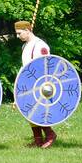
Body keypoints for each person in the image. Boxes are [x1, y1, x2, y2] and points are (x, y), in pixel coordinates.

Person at [15, 20, 56, 148]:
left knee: (36, 111)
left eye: (19, 33)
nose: (17, 36)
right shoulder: (25, 45)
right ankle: (37, 139)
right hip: (28, 83)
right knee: (28, 111)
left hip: (40, 84)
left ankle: (50, 134)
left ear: (27, 30)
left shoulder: (40, 46)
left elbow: (44, 66)